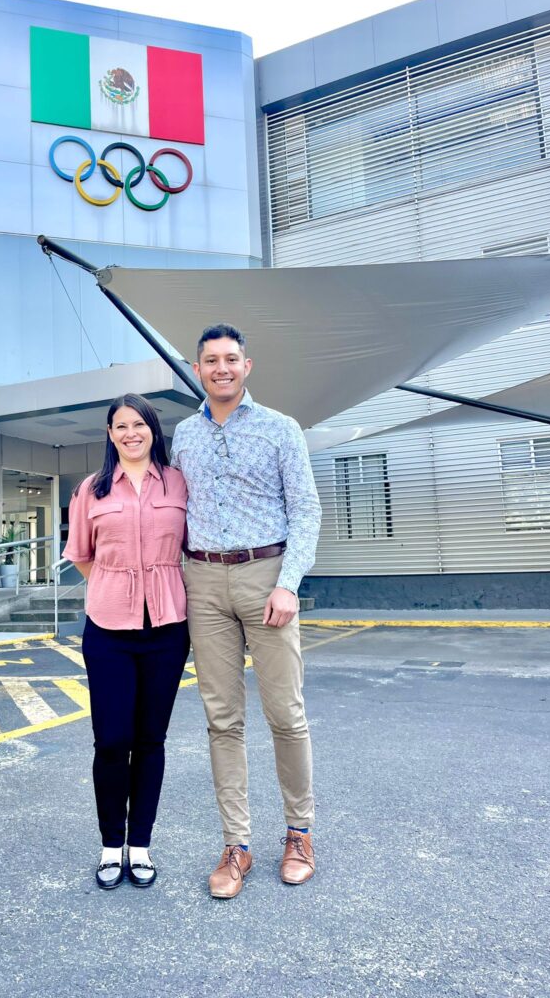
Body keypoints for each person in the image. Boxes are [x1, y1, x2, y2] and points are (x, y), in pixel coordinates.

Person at [171, 323, 322, 900]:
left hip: (267, 577)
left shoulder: (281, 429)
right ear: (198, 369)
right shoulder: (184, 435)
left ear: (247, 366)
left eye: (231, 359)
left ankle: (299, 833)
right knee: (222, 719)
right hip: (203, 581)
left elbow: (305, 511)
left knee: (285, 713)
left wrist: (288, 584)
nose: (221, 368)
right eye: (211, 361)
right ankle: (236, 844)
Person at [63, 393, 190, 890]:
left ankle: (141, 846)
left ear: (153, 431)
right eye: (120, 426)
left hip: (166, 630)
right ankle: (110, 847)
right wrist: (119, 585)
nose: (130, 432)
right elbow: (81, 554)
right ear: (110, 434)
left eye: (139, 424)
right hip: (109, 632)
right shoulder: (89, 491)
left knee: (150, 742)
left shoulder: (178, 482)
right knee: (112, 742)